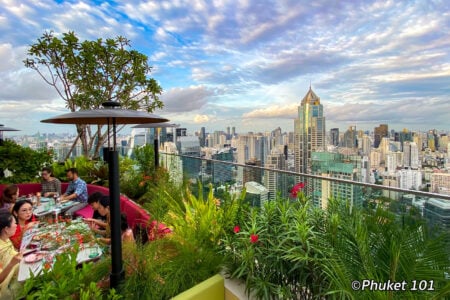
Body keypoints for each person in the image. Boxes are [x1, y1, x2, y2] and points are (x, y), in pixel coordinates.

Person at [0, 211, 23, 298]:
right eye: (15, 223)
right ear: (6, 229)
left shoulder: (6, 239)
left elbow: (13, 254)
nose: (16, 225)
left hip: (17, 274)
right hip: (7, 289)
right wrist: (11, 264)